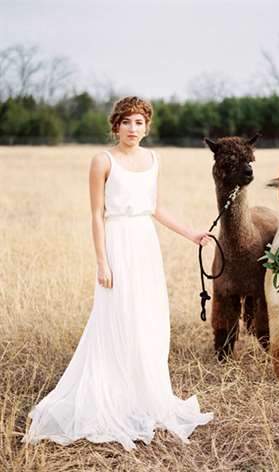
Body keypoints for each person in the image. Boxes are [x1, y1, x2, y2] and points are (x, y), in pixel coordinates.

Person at [23, 96, 214, 450]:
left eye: (139, 122)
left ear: (147, 127)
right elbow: (96, 214)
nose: (133, 128)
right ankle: (110, 395)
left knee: (147, 318)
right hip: (117, 244)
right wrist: (102, 262)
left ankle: (145, 394)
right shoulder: (102, 161)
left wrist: (190, 234)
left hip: (145, 244)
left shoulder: (154, 160)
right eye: (126, 122)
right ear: (116, 125)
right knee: (117, 317)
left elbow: (156, 208)